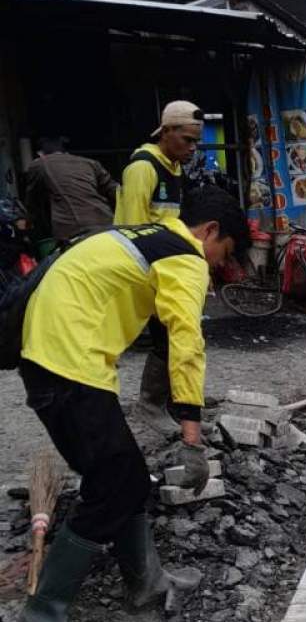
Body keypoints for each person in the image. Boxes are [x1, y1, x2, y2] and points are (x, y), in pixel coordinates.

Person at [17, 185, 250, 622]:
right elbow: (187, 344)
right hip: (67, 366)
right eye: (224, 253)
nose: (219, 265)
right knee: (112, 487)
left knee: (127, 476)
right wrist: (191, 436)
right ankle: (43, 610)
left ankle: (146, 580)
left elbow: (165, 333)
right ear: (210, 231)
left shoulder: (150, 235)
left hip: (56, 357)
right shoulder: (185, 255)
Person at [115, 100, 204, 435]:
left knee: (176, 337)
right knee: (165, 340)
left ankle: (170, 404)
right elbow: (132, 228)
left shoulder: (174, 166)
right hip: (148, 270)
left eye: (196, 141)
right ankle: (150, 405)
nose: (193, 148)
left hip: (170, 268)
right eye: (187, 140)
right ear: (166, 132)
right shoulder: (143, 168)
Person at [24, 136, 117, 255]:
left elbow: (32, 202)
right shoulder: (90, 163)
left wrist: (27, 222)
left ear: (40, 154)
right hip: (107, 223)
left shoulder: (39, 164)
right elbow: (115, 191)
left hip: (73, 230)